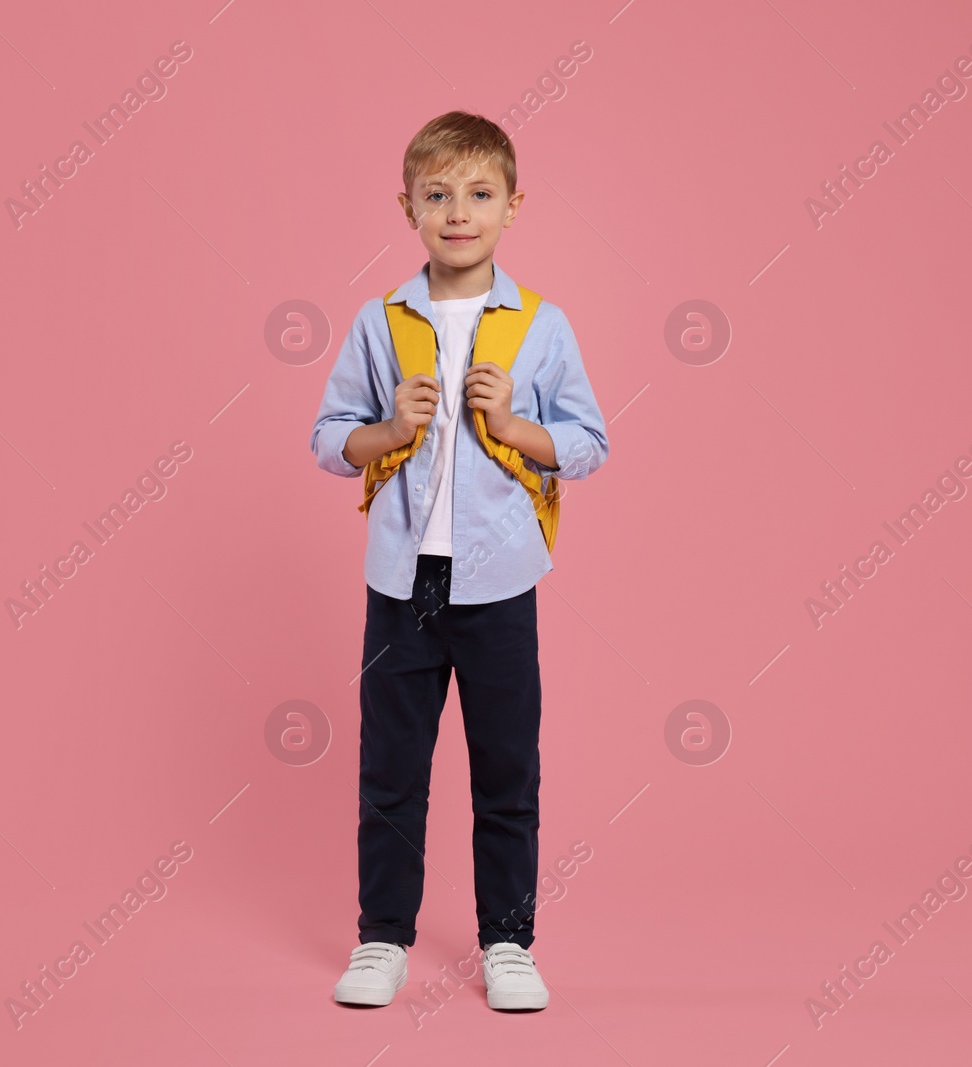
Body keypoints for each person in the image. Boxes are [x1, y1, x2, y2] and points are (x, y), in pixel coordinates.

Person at [309, 110, 609, 1012]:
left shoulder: (543, 325)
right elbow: (328, 442)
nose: (458, 211)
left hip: (500, 582)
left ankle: (508, 941)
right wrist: (391, 430)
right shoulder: (379, 320)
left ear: (514, 207)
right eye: (437, 194)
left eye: (479, 194)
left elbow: (589, 444)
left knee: (507, 766)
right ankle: (381, 938)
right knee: (391, 769)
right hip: (404, 584)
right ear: (407, 205)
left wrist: (516, 425)